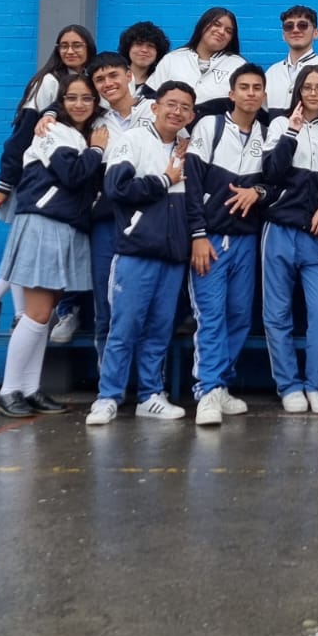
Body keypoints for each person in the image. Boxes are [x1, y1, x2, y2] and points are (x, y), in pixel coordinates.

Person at [0, 73, 107, 417]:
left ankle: (29, 388)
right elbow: (72, 175)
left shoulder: (74, 133)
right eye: (72, 98)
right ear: (60, 102)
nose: (80, 104)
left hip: (67, 226)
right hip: (44, 224)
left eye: (87, 98)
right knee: (37, 314)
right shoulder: (53, 130)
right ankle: (8, 390)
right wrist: (98, 149)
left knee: (43, 317)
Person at [86, 81, 197, 425]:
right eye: (171, 104)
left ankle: (150, 395)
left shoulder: (187, 149)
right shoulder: (131, 140)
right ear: (154, 106)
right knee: (124, 327)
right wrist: (164, 180)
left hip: (172, 257)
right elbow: (116, 189)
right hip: (135, 252)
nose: (177, 111)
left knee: (159, 329)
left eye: (184, 107)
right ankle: (108, 397)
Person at [0, 23, 96, 338]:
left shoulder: (88, 82)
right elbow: (22, 133)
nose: (70, 50)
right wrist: (5, 182)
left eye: (78, 45)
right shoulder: (48, 81)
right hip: (38, 175)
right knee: (28, 257)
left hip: (66, 178)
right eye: (64, 45)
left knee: (31, 260)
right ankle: (18, 314)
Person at [185, 63, 268, 427]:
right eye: (244, 87)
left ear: (264, 95)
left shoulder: (269, 133)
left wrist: (260, 191)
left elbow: (277, 182)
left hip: (247, 240)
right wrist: (198, 235)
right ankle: (206, 390)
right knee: (211, 315)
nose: (251, 93)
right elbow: (190, 184)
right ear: (231, 94)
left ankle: (220, 386)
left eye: (257, 88)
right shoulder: (210, 126)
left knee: (238, 315)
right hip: (211, 240)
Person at [261, 64, 318, 414]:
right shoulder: (279, 124)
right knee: (277, 313)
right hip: (278, 230)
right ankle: (289, 385)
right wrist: (291, 132)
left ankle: (317, 384)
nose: (313, 93)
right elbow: (272, 172)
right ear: (297, 90)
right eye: (307, 87)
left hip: (317, 234)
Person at [86, 52, 151, 362]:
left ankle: (147, 385)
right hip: (106, 220)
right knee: (106, 301)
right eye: (99, 79)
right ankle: (109, 386)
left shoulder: (155, 110)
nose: (107, 83)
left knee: (145, 304)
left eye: (113, 75)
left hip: (148, 219)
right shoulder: (93, 121)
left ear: (129, 75)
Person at [146, 6, 245, 106]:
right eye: (216, 24)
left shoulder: (238, 65)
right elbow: (149, 97)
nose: (221, 32)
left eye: (228, 31)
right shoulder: (173, 59)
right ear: (203, 25)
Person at [264, 5, 318, 115]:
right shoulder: (271, 73)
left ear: (316, 33)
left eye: (302, 25)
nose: (295, 30)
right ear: (283, 35)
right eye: (289, 26)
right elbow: (262, 117)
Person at [117, 21, 170, 97]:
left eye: (150, 46)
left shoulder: (161, 82)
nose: (144, 50)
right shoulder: (114, 78)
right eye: (139, 44)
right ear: (128, 48)